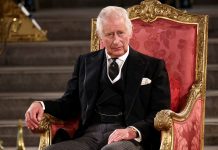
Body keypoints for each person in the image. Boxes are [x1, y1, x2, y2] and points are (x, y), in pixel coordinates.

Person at [25, 6, 170, 150]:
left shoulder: (153, 66)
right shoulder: (85, 63)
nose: (116, 41)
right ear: (100, 35)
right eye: (109, 34)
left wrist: (132, 131)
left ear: (130, 32)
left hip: (128, 138)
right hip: (89, 136)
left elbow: (160, 112)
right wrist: (41, 104)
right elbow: (69, 103)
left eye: (120, 33)